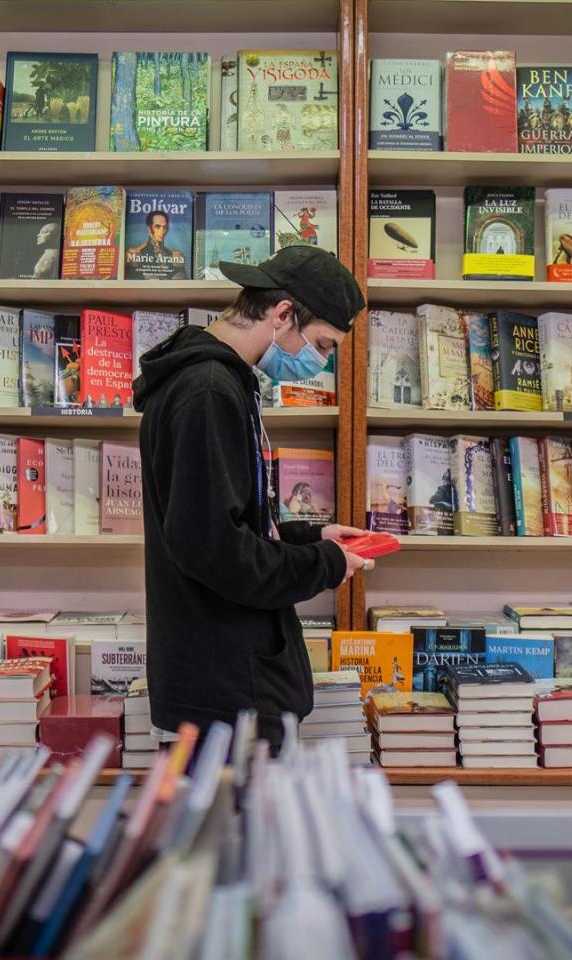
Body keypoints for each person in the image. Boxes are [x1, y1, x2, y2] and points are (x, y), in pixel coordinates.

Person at [132, 245, 373, 745]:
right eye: (324, 345)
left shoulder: (220, 383)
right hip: (226, 697)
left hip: (227, 687)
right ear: (283, 313)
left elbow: (229, 517)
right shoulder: (208, 390)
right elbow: (216, 550)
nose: (321, 363)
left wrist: (313, 534)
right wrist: (325, 564)